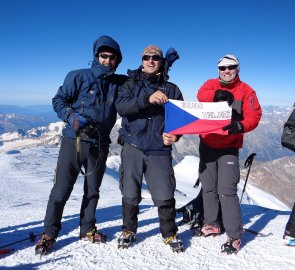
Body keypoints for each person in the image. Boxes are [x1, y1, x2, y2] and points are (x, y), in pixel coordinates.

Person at [35, 35, 125, 255]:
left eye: (112, 58)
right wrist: (70, 115)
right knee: (61, 190)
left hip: (100, 143)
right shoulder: (77, 76)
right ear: (96, 56)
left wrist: (164, 66)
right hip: (73, 141)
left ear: (117, 60)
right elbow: (59, 100)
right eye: (103, 56)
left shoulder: (118, 83)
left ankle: (87, 228)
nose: (107, 61)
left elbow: (140, 81)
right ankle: (49, 233)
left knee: (93, 190)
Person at [115, 45, 184, 252]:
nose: (151, 60)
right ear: (142, 60)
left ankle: (170, 233)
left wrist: (176, 135)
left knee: (164, 193)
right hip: (133, 145)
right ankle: (128, 230)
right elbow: (121, 107)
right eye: (147, 57)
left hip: (159, 148)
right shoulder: (129, 85)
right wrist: (147, 99)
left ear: (161, 61)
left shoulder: (172, 89)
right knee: (130, 192)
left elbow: (180, 120)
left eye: (155, 57)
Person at [196, 54, 262, 254]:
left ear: (238, 69)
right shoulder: (210, 84)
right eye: (222, 68)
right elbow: (200, 96)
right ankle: (212, 223)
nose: (226, 71)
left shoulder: (247, 91)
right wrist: (215, 96)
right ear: (218, 70)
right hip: (207, 143)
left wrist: (239, 125)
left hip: (229, 146)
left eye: (230, 67)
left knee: (226, 189)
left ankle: (234, 234)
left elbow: (255, 116)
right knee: (208, 187)